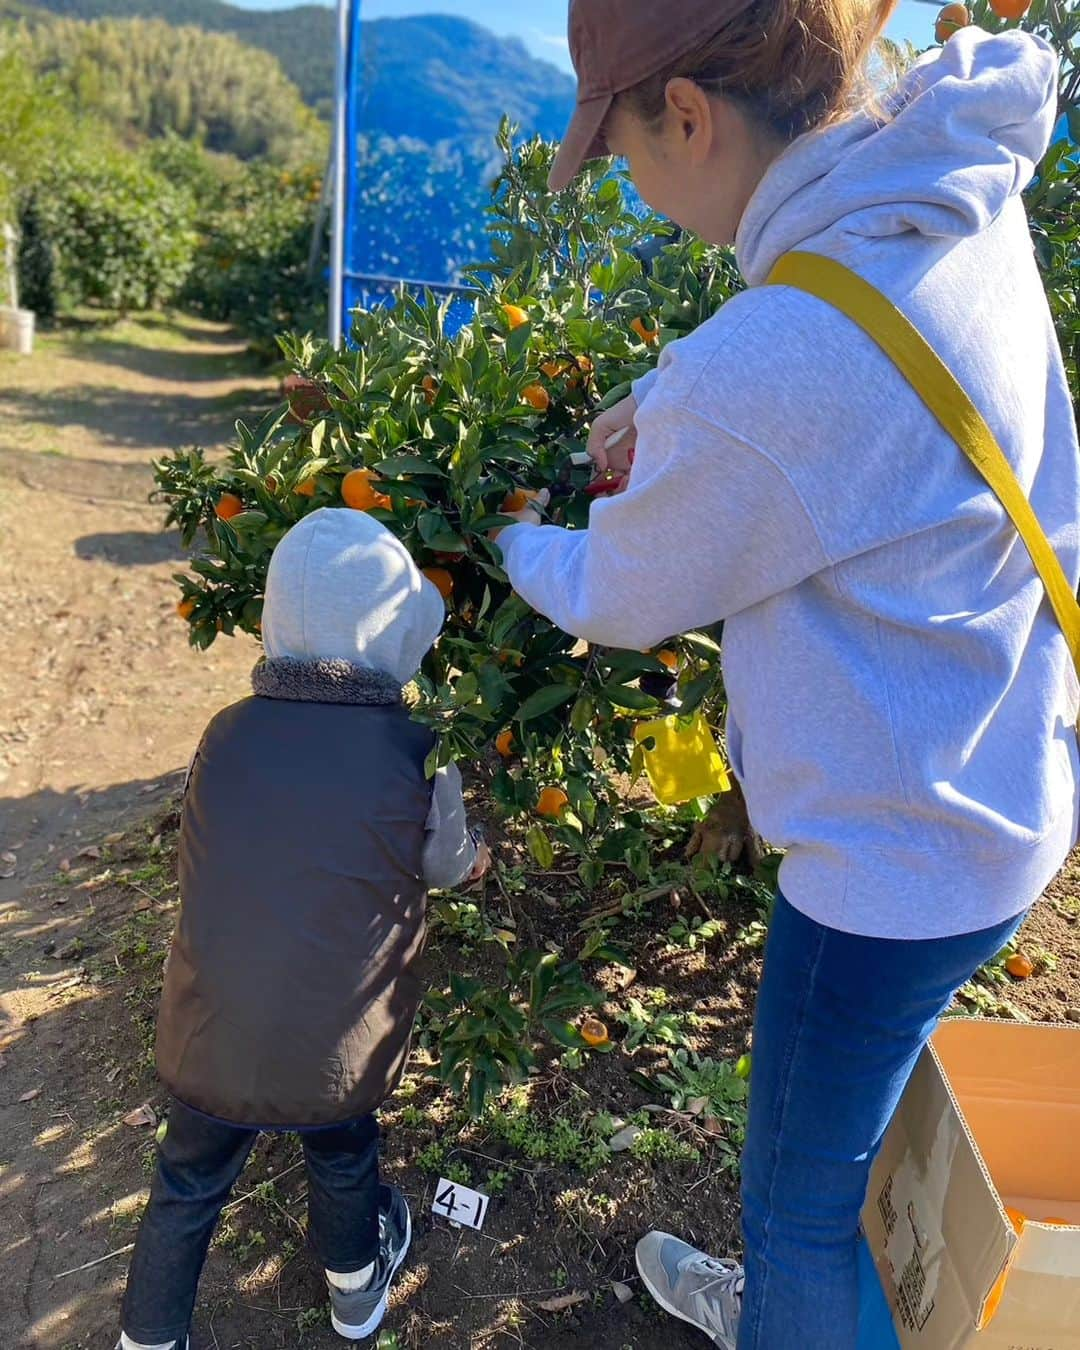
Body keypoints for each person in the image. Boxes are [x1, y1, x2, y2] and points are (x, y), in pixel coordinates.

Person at [496, 2, 1079, 1347]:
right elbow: (858, 402)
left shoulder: (760, 371)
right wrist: (685, 399)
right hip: (1009, 775)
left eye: (624, 147)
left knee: (798, 1212)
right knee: (854, 1153)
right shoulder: (948, 182)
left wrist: (517, 535)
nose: (630, 185)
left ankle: (793, 1311)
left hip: (892, 866)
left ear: (688, 115)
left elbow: (622, 593)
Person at [117, 508, 490, 1350]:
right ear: (398, 633)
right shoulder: (419, 749)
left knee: (188, 1178)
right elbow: (442, 863)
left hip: (215, 1026)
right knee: (343, 1150)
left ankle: (146, 1337)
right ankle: (356, 1301)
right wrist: (475, 862)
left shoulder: (229, 734)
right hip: (338, 1039)